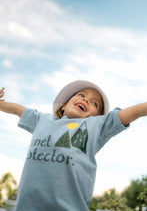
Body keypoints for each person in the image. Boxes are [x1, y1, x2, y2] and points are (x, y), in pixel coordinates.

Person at [0, 81, 147, 211]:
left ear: (96, 116)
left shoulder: (96, 126)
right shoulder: (41, 120)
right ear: (64, 105)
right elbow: (17, 109)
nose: (86, 100)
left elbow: (135, 112)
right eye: (81, 95)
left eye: (95, 103)